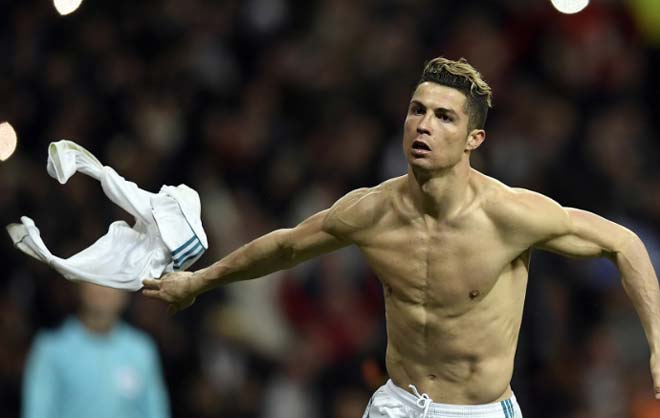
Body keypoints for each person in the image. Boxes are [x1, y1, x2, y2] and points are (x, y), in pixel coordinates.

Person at [142, 57, 660, 418]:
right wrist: (200, 282)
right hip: (397, 404)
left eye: (444, 117)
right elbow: (287, 245)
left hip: (479, 411)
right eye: (417, 110)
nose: (424, 125)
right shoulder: (372, 211)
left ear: (473, 140)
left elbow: (625, 244)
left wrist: (658, 346)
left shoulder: (509, 215)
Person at [23, 282, 170, 418]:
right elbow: (37, 412)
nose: (103, 289)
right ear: (79, 286)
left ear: (126, 291)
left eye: (113, 280)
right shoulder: (51, 348)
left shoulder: (141, 349)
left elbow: (156, 412)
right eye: (96, 278)